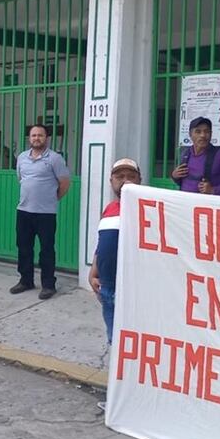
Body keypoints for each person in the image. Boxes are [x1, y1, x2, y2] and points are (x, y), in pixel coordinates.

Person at [89, 158, 142, 411]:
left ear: (139, 180)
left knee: (132, 347)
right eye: (119, 176)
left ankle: (133, 398)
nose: (124, 181)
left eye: (130, 175)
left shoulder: (147, 209)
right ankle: (119, 399)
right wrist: (93, 271)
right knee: (116, 343)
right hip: (107, 290)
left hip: (132, 292)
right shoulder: (109, 209)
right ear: (111, 182)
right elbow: (102, 244)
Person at [11, 124, 71, 300]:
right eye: (33, 135)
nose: (36, 138)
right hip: (23, 211)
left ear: (47, 138)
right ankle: (26, 280)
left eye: (40, 135)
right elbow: (20, 179)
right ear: (29, 138)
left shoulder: (55, 159)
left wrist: (51, 199)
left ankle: (48, 285)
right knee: (23, 247)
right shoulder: (22, 157)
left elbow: (64, 183)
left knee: (46, 249)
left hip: (46, 214)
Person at [170, 117, 220, 196]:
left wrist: (214, 190)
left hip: (208, 206)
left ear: (211, 134)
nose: (203, 135)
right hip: (186, 204)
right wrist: (174, 176)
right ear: (190, 135)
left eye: (206, 131)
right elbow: (185, 181)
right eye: (198, 132)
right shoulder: (185, 154)